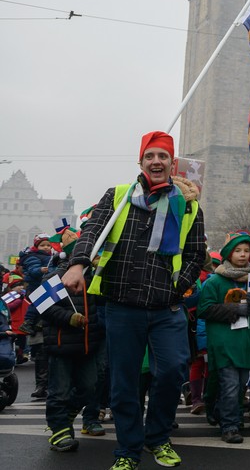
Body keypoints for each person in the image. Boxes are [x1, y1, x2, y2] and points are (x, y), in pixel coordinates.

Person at [63, 131, 205, 470]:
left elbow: (197, 253)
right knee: (124, 382)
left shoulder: (188, 204)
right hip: (122, 304)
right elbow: (92, 233)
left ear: (172, 163)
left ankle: (157, 439)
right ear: (140, 162)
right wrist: (78, 264)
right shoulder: (118, 196)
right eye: (150, 156)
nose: (156, 161)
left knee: (172, 372)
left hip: (165, 306)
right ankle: (127, 450)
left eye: (163, 156)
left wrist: (177, 286)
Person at [197, 232, 250, 443]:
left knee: (240, 386)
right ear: (229, 254)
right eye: (238, 251)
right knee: (230, 385)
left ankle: (233, 417)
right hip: (223, 342)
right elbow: (204, 309)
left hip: (246, 342)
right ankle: (229, 426)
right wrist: (234, 310)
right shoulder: (214, 281)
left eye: (247, 251)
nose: (243, 255)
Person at [41, 240, 105, 452]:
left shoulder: (94, 278)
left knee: (90, 387)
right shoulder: (55, 277)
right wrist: (70, 318)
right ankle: (59, 431)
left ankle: (67, 415)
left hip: (88, 345)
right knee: (60, 391)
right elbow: (45, 308)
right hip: (62, 346)